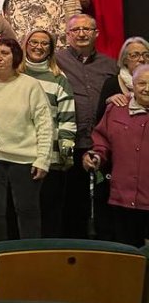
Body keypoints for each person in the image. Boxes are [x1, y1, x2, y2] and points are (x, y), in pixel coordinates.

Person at [0, 37, 54, 241]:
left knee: (27, 210)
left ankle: (28, 255)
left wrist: (43, 159)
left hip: (25, 158)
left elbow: (44, 124)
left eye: (4, 53)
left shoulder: (30, 85)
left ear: (15, 56)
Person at [55, 13, 120, 239]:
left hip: (103, 142)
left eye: (87, 29)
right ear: (67, 35)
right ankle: (72, 246)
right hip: (69, 141)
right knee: (70, 200)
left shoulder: (111, 65)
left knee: (103, 199)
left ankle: (102, 246)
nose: (81, 34)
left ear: (96, 34)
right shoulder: (56, 61)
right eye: (76, 30)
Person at [22, 29, 78, 238]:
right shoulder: (14, 75)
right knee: (23, 212)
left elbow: (67, 117)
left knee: (50, 213)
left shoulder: (58, 79)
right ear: (26, 45)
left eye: (44, 43)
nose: (39, 47)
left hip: (52, 158)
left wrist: (66, 150)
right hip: (20, 156)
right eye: (34, 42)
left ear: (51, 48)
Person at [85, 64, 149, 247]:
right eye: (142, 83)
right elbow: (102, 141)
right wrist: (95, 156)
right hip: (122, 199)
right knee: (126, 255)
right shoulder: (116, 109)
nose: (147, 88)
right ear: (133, 86)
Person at [99, 38, 149, 109]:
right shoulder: (112, 83)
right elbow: (100, 117)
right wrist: (109, 102)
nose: (142, 59)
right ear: (125, 60)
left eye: (146, 55)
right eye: (134, 55)